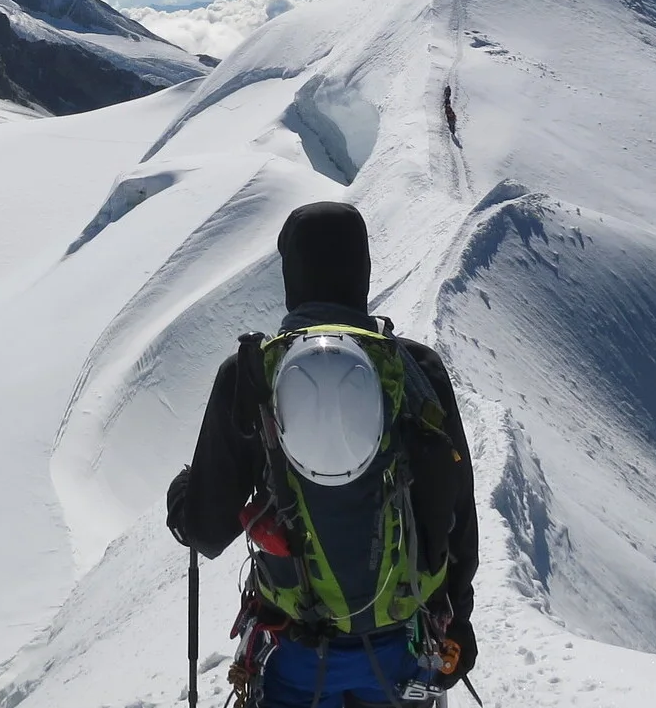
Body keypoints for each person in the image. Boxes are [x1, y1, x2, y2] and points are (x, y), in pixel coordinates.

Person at [166, 201, 478, 708]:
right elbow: (457, 509)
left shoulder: (251, 374)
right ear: (362, 271)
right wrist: (458, 620)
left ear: (293, 275)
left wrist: (182, 502)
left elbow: (206, 530)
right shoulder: (415, 369)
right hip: (403, 643)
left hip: (293, 649)